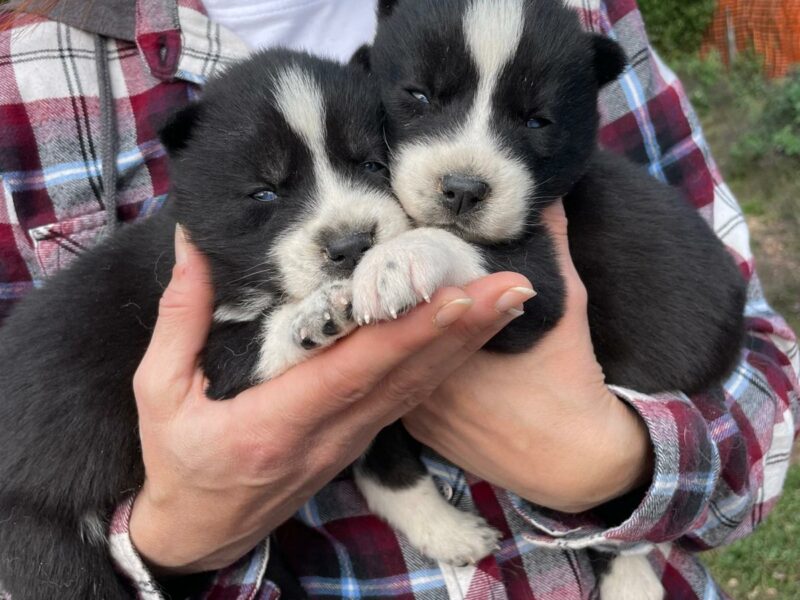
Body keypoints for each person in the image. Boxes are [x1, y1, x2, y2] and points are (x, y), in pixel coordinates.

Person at [0, 0, 797, 598]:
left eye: (371, 162)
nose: (463, 164)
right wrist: (173, 539)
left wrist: (616, 465)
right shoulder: (28, 65)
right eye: (418, 107)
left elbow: (757, 367)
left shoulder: (568, 17)